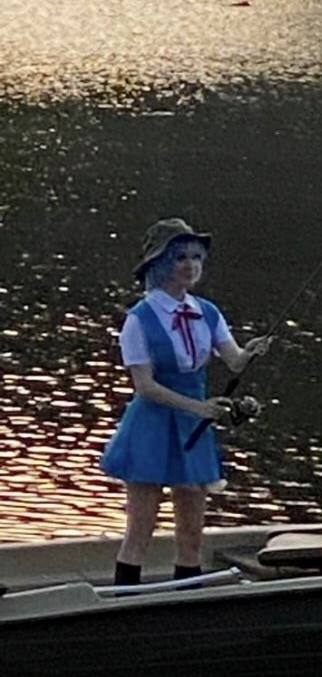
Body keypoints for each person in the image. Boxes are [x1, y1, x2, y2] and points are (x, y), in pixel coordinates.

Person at [101, 217, 270, 587]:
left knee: (192, 530)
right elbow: (144, 386)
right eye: (181, 258)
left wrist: (251, 352)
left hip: (194, 424)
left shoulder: (206, 312)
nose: (191, 265)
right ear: (161, 264)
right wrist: (199, 408)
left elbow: (234, 360)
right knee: (140, 529)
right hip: (152, 425)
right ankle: (126, 602)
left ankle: (187, 599)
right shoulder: (139, 319)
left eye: (196, 257)